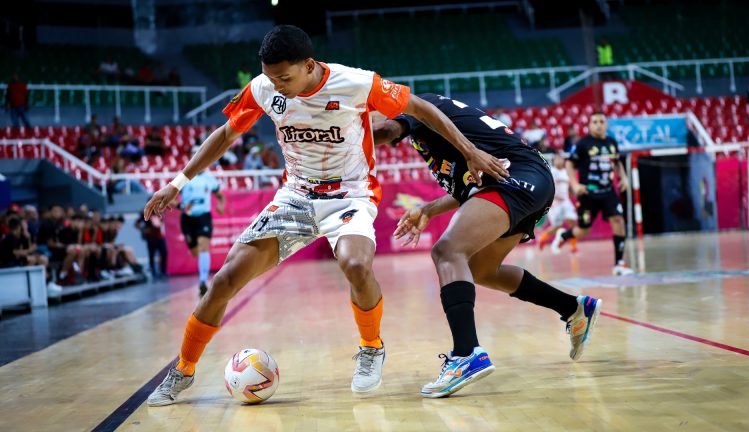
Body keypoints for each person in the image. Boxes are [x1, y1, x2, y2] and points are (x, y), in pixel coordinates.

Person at [142, 25, 507, 406]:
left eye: (284, 78)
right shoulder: (264, 88)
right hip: (295, 197)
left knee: (356, 265)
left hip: (350, 195)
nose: (277, 86)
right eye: (270, 78)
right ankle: (182, 370)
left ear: (309, 65)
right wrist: (177, 183)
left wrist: (469, 151)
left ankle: (371, 347)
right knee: (225, 279)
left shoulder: (355, 83)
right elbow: (225, 134)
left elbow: (421, 108)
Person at [373, 93, 602, 398]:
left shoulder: (413, 107)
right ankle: (573, 307)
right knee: (481, 270)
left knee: (447, 251)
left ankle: (466, 353)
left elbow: (386, 130)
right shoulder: (428, 131)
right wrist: (428, 209)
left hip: (517, 176)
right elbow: (469, 189)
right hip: (523, 178)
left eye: (367, 115)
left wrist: (342, 137)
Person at [551, 112, 634, 275]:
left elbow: (617, 162)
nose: (598, 125)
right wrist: (575, 184)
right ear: (589, 125)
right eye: (594, 122)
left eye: (601, 121)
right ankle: (564, 235)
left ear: (606, 125)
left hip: (608, 191)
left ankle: (619, 264)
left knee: (618, 220)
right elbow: (569, 164)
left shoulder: (612, 143)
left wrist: (624, 178)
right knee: (584, 230)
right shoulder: (583, 144)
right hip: (588, 194)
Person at [178, 150, 225, 295]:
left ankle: (203, 281)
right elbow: (172, 198)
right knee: (195, 252)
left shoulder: (209, 179)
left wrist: (221, 205)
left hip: (204, 216)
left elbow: (220, 196)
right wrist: (181, 206)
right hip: (188, 219)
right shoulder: (184, 177)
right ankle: (203, 276)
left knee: (204, 246)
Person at [538, 154, 578, 252]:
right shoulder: (551, 171)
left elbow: (569, 188)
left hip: (565, 201)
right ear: (554, 161)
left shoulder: (566, 172)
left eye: (561, 159)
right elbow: (547, 186)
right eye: (557, 159)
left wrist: (576, 195)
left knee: (573, 222)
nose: (559, 161)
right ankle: (542, 238)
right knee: (557, 226)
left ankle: (573, 247)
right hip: (555, 202)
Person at [135, 205, 168, 278]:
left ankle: (163, 270)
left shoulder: (160, 212)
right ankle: (153, 271)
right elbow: (136, 224)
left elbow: (161, 223)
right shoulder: (146, 212)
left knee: (164, 253)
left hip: (160, 237)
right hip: (151, 238)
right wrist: (143, 230)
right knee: (152, 254)